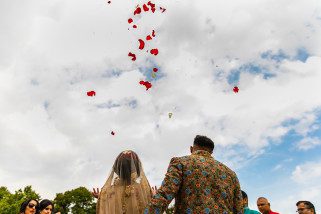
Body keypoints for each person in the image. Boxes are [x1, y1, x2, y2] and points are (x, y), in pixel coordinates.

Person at [145, 135, 243, 214]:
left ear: (191, 149)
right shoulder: (231, 175)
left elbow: (164, 195)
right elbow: (239, 209)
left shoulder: (181, 163)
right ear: (211, 152)